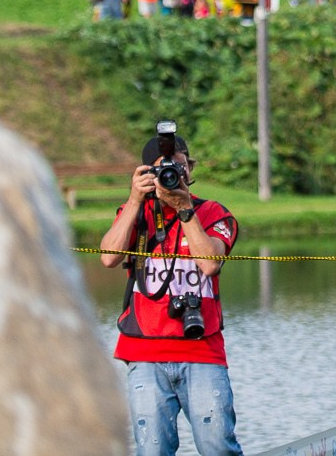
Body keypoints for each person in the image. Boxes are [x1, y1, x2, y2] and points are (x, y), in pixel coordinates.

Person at [98, 124, 244, 456]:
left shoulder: (213, 213)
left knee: (218, 446)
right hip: (144, 351)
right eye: (166, 170)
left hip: (201, 350)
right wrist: (135, 199)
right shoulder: (137, 214)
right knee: (152, 450)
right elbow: (108, 257)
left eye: (180, 167)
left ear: (190, 169)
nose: (174, 175)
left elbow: (209, 264)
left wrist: (184, 209)